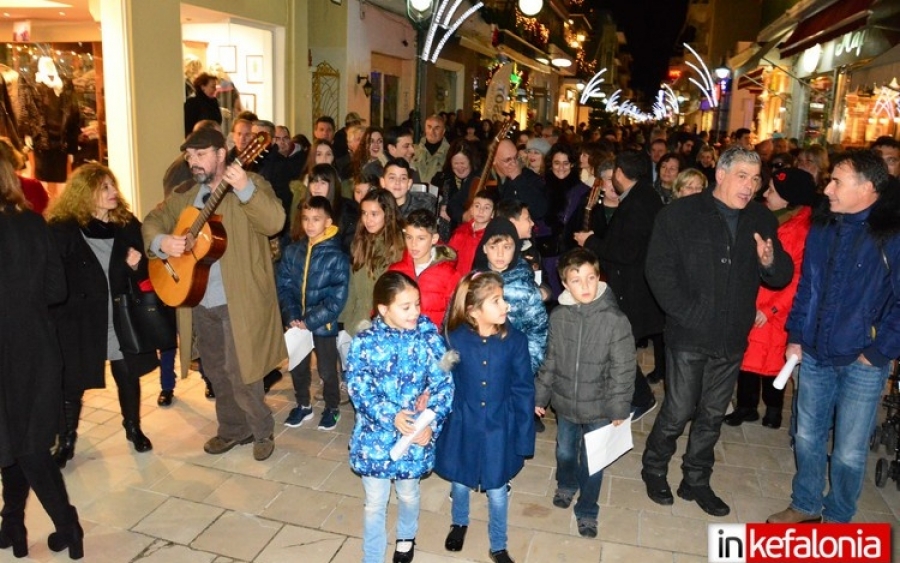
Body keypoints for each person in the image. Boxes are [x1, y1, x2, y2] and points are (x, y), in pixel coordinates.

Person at [641, 147, 793, 516]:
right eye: (743, 176)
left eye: (756, 179)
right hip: (689, 334)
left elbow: (781, 275)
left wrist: (770, 261)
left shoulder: (760, 218)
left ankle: (696, 478)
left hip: (731, 336)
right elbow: (658, 272)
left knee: (711, 414)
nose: (750, 186)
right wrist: (688, 314)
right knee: (678, 410)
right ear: (721, 175)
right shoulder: (680, 214)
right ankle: (654, 468)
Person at [767, 151, 900, 525]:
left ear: (869, 187)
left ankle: (839, 517)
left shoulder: (891, 235)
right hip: (813, 351)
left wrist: (877, 352)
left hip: (862, 360)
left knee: (848, 451)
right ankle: (805, 504)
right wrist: (796, 334)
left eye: (837, 182)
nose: (827, 189)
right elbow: (806, 286)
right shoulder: (823, 227)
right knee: (806, 436)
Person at [142, 128, 286, 462]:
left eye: (201, 154)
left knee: (243, 372)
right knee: (216, 371)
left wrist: (245, 188)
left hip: (239, 301)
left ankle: (261, 429)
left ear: (222, 154)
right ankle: (233, 429)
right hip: (198, 299)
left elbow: (275, 220)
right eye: (190, 156)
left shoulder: (250, 184)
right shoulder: (185, 195)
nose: (193, 162)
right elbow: (153, 220)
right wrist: (162, 242)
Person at [0, 160, 83, 560]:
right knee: (25, 443)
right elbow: (56, 289)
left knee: (15, 444)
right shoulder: (34, 224)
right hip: (35, 348)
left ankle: (53, 524)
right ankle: (17, 524)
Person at [48, 163, 158, 463]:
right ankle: (67, 438)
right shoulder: (63, 228)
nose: (113, 193)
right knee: (73, 381)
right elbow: (52, 275)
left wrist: (138, 266)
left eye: (113, 186)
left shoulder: (126, 224)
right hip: (81, 320)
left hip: (120, 316)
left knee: (127, 374)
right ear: (86, 194)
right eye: (105, 188)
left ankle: (133, 427)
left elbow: (148, 268)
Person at [346, 271, 454, 563]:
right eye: (405, 306)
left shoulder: (428, 337)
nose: (415, 312)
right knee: (374, 504)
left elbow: (444, 385)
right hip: (375, 438)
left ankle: (406, 536)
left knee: (408, 494)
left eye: (417, 304)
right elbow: (358, 386)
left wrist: (430, 425)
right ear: (383, 309)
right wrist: (389, 415)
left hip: (413, 437)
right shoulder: (365, 341)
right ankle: (372, 556)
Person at [535, 248, 635, 538]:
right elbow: (550, 359)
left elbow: (624, 367)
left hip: (601, 408)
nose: (586, 286)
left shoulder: (615, 320)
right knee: (565, 452)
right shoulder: (558, 317)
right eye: (577, 280)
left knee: (594, 462)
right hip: (565, 402)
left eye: (591, 278)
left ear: (598, 276)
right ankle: (566, 484)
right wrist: (540, 396)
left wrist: (619, 407)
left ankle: (588, 510)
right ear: (564, 284)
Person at [435, 271, 535, 563]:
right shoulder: (454, 338)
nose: (506, 306)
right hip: (462, 423)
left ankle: (499, 544)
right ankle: (460, 522)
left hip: (498, 426)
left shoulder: (515, 340)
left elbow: (523, 389)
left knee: (497, 489)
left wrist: (523, 435)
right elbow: (442, 381)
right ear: (473, 311)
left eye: (503, 299)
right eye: (496, 301)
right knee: (460, 480)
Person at [725, 168, 817, 429]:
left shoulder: (801, 229)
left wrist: (772, 308)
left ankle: (774, 409)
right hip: (754, 299)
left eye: (772, 191)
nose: (765, 194)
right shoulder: (763, 217)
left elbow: (799, 276)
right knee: (749, 358)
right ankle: (746, 406)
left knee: (774, 360)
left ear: (788, 199)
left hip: (778, 308)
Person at [577, 151, 662, 407]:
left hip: (632, 288)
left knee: (618, 344)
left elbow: (627, 252)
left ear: (620, 174)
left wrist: (589, 241)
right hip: (634, 285)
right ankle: (627, 394)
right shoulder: (644, 195)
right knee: (617, 343)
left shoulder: (637, 204)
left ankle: (641, 397)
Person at [277, 196, 349, 430]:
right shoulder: (292, 251)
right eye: (306, 219)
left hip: (323, 324)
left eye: (316, 219)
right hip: (297, 323)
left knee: (328, 370)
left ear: (328, 222)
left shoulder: (336, 256)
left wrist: (310, 321)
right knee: (298, 366)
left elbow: (336, 298)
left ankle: (332, 407)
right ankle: (303, 405)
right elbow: (285, 286)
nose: (310, 224)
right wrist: (292, 316)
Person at [472, 218, 548, 378]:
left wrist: (524, 370)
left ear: (516, 248)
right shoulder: (472, 283)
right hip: (476, 369)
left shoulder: (526, 288)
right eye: (494, 247)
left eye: (507, 247)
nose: (500, 254)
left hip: (511, 370)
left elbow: (538, 332)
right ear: (484, 248)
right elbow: (455, 324)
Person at [339, 188, 405, 337]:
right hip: (356, 322)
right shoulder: (360, 242)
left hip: (381, 325)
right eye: (364, 213)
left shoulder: (396, 248)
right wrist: (345, 319)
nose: (368, 219)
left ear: (387, 215)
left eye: (374, 214)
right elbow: (352, 285)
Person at [388, 209, 461, 328]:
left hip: (432, 342)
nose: (413, 244)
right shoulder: (395, 271)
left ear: (434, 239)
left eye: (421, 238)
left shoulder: (450, 275)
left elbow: (456, 316)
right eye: (409, 237)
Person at [494, 139, 548, 221]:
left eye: (515, 157)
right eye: (507, 160)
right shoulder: (483, 177)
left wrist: (518, 179)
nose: (514, 163)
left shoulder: (529, 177)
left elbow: (540, 210)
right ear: (494, 160)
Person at [438, 139, 481, 241]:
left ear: (471, 162)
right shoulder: (443, 180)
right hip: (447, 237)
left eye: (463, 163)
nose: (460, 167)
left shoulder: (478, 181)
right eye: (456, 163)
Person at [448, 189, 495, 275]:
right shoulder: (460, 232)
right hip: (456, 282)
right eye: (477, 206)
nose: (481, 211)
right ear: (471, 209)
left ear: (492, 213)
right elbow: (448, 259)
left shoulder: (492, 238)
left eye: (487, 207)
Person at [412, 114, 449, 186]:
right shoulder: (413, 151)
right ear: (425, 129)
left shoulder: (450, 153)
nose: (432, 131)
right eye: (429, 127)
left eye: (437, 128)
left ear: (443, 131)